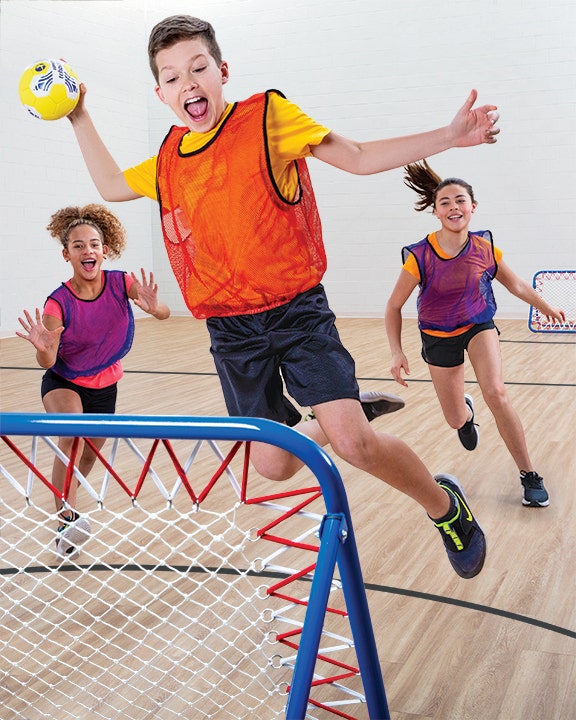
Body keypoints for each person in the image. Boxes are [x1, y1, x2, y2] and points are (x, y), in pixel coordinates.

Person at [63, 15, 502, 578]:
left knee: (355, 446)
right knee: (271, 465)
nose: (188, 83)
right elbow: (109, 186)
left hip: (296, 312)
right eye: (172, 78)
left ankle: (446, 508)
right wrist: (78, 114)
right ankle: (338, 408)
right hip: (231, 330)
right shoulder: (170, 162)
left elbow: (359, 155)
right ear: (160, 94)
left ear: (222, 72)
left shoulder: (269, 118)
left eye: (199, 69)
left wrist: (450, 136)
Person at [385, 160, 565, 507]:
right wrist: (396, 351)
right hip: (437, 335)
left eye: (460, 200)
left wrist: (545, 307)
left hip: (478, 325)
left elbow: (516, 285)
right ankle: (465, 416)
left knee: (496, 393)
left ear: (473, 207)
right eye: (446, 202)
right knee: (453, 418)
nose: (454, 207)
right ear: (435, 212)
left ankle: (529, 475)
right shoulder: (420, 256)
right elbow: (393, 307)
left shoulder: (485, 249)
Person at [17, 204, 170, 560]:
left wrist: (155, 307)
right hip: (64, 380)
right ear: (66, 254)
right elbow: (48, 359)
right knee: (70, 435)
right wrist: (43, 349)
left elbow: (160, 312)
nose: (88, 250)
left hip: (106, 385)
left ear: (105, 250)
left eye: (94, 244)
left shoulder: (122, 283)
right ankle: (65, 519)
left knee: (88, 456)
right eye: (79, 245)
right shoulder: (57, 303)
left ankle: (68, 496)